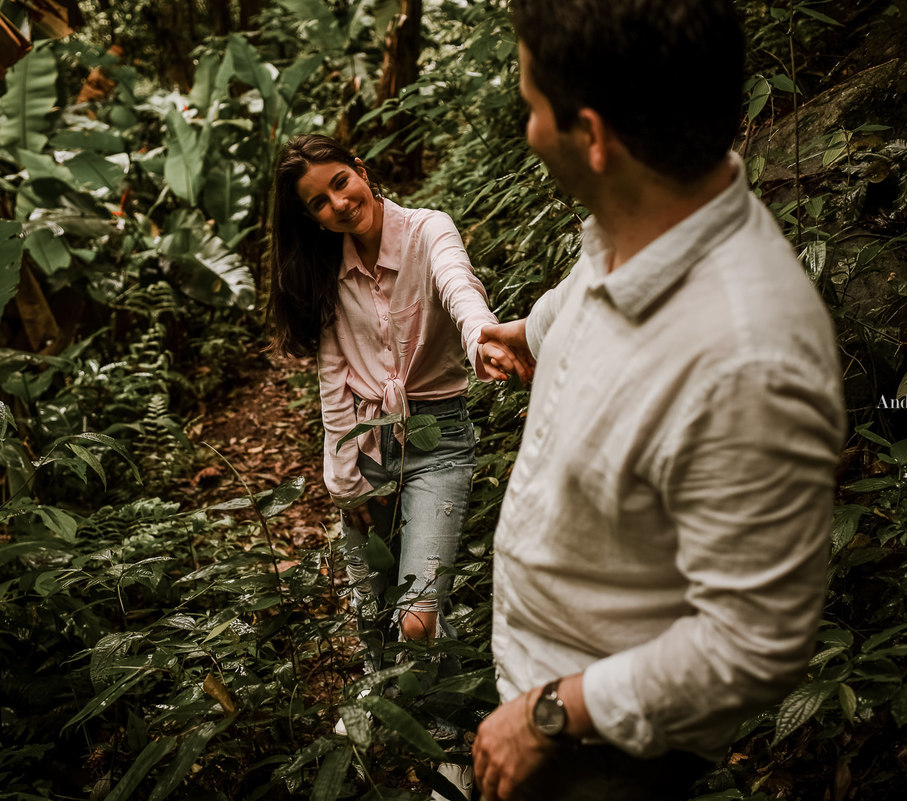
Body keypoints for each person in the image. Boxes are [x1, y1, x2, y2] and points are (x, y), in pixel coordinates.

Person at [472, 2, 846, 800]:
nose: (528, 128)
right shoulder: (653, 209)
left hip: (602, 753)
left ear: (593, 136)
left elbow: (752, 641)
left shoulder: (748, 360)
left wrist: (550, 712)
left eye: (532, 108)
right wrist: (533, 333)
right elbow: (595, 278)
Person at [266, 135, 525, 795]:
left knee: (417, 611)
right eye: (318, 203)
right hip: (365, 444)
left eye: (340, 182)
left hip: (439, 437)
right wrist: (349, 486)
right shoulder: (326, 268)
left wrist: (482, 339)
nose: (337, 203)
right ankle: (385, 707)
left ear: (362, 170)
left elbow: (459, 287)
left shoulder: (426, 230)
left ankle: (451, 751)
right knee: (373, 610)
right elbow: (333, 382)